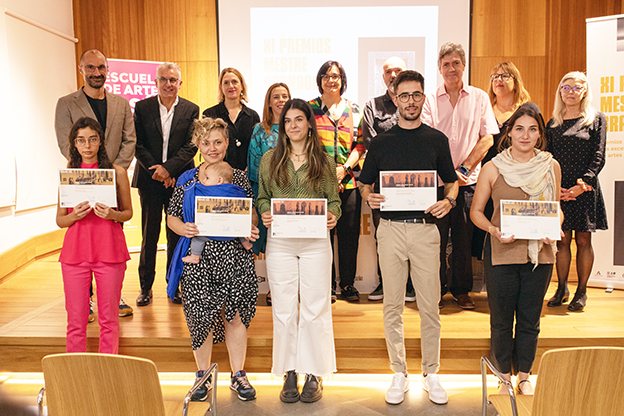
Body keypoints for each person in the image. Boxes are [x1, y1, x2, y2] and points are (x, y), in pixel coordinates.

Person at [359, 70, 458, 406]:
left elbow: (451, 181)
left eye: (417, 95)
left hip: (426, 230)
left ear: (423, 97)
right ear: (395, 98)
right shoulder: (382, 142)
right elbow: (365, 182)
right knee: (392, 305)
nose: (411, 101)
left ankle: (431, 373)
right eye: (405, 96)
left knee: (430, 306)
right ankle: (399, 371)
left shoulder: (437, 140)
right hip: (390, 230)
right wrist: (368, 195)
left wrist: (449, 200)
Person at [470, 103, 562, 395]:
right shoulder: (493, 167)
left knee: (530, 318)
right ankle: (503, 379)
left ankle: (524, 376)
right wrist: (493, 230)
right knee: (500, 320)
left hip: (541, 254)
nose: (525, 135)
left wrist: (554, 226)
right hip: (501, 252)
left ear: (540, 134)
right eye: (519, 128)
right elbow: (476, 212)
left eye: (532, 129)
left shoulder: (551, 165)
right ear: (508, 132)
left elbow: (555, 209)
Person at [166, 117, 259, 402]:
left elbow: (251, 213)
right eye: (206, 143)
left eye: (218, 142)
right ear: (197, 145)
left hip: (234, 258)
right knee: (200, 319)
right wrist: (184, 228)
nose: (212, 148)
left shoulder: (239, 176)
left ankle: (238, 374)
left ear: (227, 143)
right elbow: (172, 217)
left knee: (235, 318)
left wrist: (251, 226)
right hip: (199, 260)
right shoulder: (187, 179)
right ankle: (202, 376)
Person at [257, 99, 341, 403]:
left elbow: (334, 201)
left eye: (299, 119)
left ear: (309, 124)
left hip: (316, 243)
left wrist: (334, 216)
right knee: (282, 308)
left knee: (315, 307)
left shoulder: (324, 160)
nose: (293, 125)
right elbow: (263, 197)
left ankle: (314, 372)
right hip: (279, 242)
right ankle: (289, 370)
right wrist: (265, 211)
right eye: (288, 120)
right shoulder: (269, 159)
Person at [55, 49, 135, 318]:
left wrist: (113, 173)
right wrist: (88, 172)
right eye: (91, 67)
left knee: (110, 241)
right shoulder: (66, 103)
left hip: (113, 180)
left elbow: (129, 140)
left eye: (101, 67)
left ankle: (112, 294)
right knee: (83, 238)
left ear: (107, 69)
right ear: (81, 69)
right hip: (81, 178)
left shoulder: (121, 103)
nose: (96, 72)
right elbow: (65, 142)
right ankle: (86, 298)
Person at [421, 42, 499, 309]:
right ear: (439, 69)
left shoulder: (479, 97)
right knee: (435, 240)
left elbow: (487, 138)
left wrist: (463, 169)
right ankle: (436, 290)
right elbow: (427, 140)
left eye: (456, 63)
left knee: (464, 239)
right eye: (446, 64)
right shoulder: (429, 99)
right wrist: (447, 174)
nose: (451, 68)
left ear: (463, 66)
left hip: (468, 183)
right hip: (437, 185)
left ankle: (462, 290)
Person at [56, 117, 133, 354]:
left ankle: (106, 376)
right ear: (74, 144)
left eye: (92, 139)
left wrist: (112, 214)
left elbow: (128, 213)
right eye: (81, 140)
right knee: (75, 321)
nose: (87, 146)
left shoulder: (117, 172)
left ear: (100, 141)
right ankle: (75, 376)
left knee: (109, 320)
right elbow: (60, 220)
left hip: (109, 251)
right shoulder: (69, 176)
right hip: (75, 252)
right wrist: (75, 216)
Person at [132, 62, 199, 306]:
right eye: (163, 79)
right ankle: (145, 288)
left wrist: (169, 169)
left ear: (180, 83)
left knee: (176, 234)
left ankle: (175, 286)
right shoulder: (142, 107)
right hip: (150, 180)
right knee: (149, 235)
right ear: (156, 82)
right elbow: (137, 143)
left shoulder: (192, 109)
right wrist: (158, 171)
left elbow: (191, 145)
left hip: (178, 181)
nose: (168, 84)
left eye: (173, 80)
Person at [546, 71, 608, 312]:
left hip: (585, 188)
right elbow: (547, 156)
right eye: (566, 87)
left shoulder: (596, 119)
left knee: (583, 240)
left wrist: (582, 185)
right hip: (559, 190)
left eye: (576, 87)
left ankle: (582, 291)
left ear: (584, 91)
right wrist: (556, 186)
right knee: (561, 241)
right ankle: (561, 288)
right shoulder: (553, 122)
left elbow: (599, 155)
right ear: (560, 91)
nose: (570, 92)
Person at [309, 60, 365, 302]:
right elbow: (305, 143)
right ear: (320, 80)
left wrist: (343, 169)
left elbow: (360, 145)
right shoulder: (309, 108)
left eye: (335, 75)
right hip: (317, 183)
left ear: (342, 80)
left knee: (349, 234)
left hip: (349, 181)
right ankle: (327, 285)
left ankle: (349, 284)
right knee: (322, 236)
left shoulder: (355, 110)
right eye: (326, 75)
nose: (331, 80)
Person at [362, 57, 416, 302]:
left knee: (414, 233)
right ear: (382, 76)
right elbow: (372, 145)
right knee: (383, 235)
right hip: (384, 185)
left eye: (398, 70)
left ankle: (411, 286)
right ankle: (385, 283)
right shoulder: (372, 106)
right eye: (388, 71)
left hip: (416, 184)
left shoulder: (417, 104)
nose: (393, 74)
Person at [473, 62, 532, 260]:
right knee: (486, 221)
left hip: (516, 179)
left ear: (515, 82)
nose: (499, 80)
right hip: (487, 177)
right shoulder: (484, 110)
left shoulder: (525, 112)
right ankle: (485, 273)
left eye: (505, 76)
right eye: (495, 76)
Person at [247, 83, 291, 306]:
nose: (281, 100)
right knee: (263, 244)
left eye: (285, 96)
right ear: (269, 101)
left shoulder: (294, 127)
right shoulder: (259, 129)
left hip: (291, 196)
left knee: (282, 245)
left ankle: (277, 290)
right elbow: (254, 166)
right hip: (264, 193)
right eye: (276, 96)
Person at [181, 161, 252, 264]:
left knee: (198, 239)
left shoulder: (204, 190)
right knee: (240, 226)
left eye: (207, 178)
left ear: (219, 180)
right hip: (232, 233)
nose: (203, 181)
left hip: (211, 232)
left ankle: (195, 256)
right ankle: (246, 243)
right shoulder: (238, 191)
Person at [203, 68, 260, 171]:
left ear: (242, 85)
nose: (231, 86)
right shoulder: (209, 114)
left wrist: (249, 169)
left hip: (246, 175)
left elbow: (256, 148)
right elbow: (205, 146)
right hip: (217, 174)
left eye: (235, 82)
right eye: (226, 83)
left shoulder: (253, 116)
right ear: (221, 87)